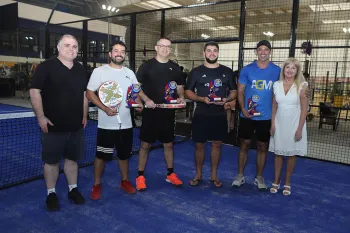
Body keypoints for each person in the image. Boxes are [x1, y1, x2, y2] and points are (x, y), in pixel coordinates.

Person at [30, 34, 88, 211]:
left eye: (75, 46)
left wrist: (84, 115)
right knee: (52, 162)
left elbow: (85, 94)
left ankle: (73, 189)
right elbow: (34, 91)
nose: (71, 49)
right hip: (53, 127)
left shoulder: (81, 69)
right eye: (67, 46)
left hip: (76, 127)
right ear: (58, 47)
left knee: (72, 160)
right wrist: (41, 117)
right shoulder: (45, 67)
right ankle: (51, 193)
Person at [87, 41, 142, 199]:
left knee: (124, 156)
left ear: (124, 54)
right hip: (106, 126)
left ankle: (124, 181)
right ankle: (96, 184)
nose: (119, 53)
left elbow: (134, 93)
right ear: (110, 54)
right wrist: (104, 108)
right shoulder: (99, 71)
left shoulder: (130, 73)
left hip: (126, 125)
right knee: (101, 156)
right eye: (116, 51)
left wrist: (138, 104)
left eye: (122, 51)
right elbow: (89, 93)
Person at [135, 37, 186, 191]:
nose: (165, 49)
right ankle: (140, 176)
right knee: (145, 145)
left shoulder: (175, 68)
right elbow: (137, 87)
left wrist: (181, 97)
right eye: (162, 46)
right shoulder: (146, 66)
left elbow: (179, 87)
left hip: (168, 113)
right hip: (150, 112)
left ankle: (170, 174)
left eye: (168, 47)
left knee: (169, 144)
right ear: (156, 48)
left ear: (170, 49)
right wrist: (146, 100)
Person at [185, 41, 237, 187]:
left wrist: (227, 99)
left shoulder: (227, 71)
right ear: (204, 53)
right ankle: (198, 174)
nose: (212, 53)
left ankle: (214, 175)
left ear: (218, 53)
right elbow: (187, 91)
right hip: (201, 114)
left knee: (217, 144)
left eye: (215, 50)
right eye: (209, 50)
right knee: (199, 145)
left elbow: (234, 91)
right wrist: (201, 98)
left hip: (219, 115)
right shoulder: (196, 72)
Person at [232, 40, 281, 190]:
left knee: (262, 146)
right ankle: (240, 176)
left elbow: (287, 86)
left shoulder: (277, 70)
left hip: (265, 117)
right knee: (244, 145)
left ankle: (259, 177)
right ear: (256, 51)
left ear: (270, 52)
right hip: (247, 115)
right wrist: (242, 109)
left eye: (266, 49)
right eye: (260, 49)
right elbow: (240, 91)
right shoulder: (247, 70)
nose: (263, 52)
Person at [269, 58, 308, 196]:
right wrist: (272, 124)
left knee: (291, 155)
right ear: (283, 69)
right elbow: (274, 106)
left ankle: (287, 183)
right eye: (288, 67)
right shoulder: (276, 85)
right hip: (279, 123)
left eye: (293, 68)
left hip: (294, 124)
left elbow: (304, 110)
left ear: (297, 71)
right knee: (278, 154)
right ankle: (276, 181)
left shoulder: (302, 86)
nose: (290, 70)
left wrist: (299, 129)